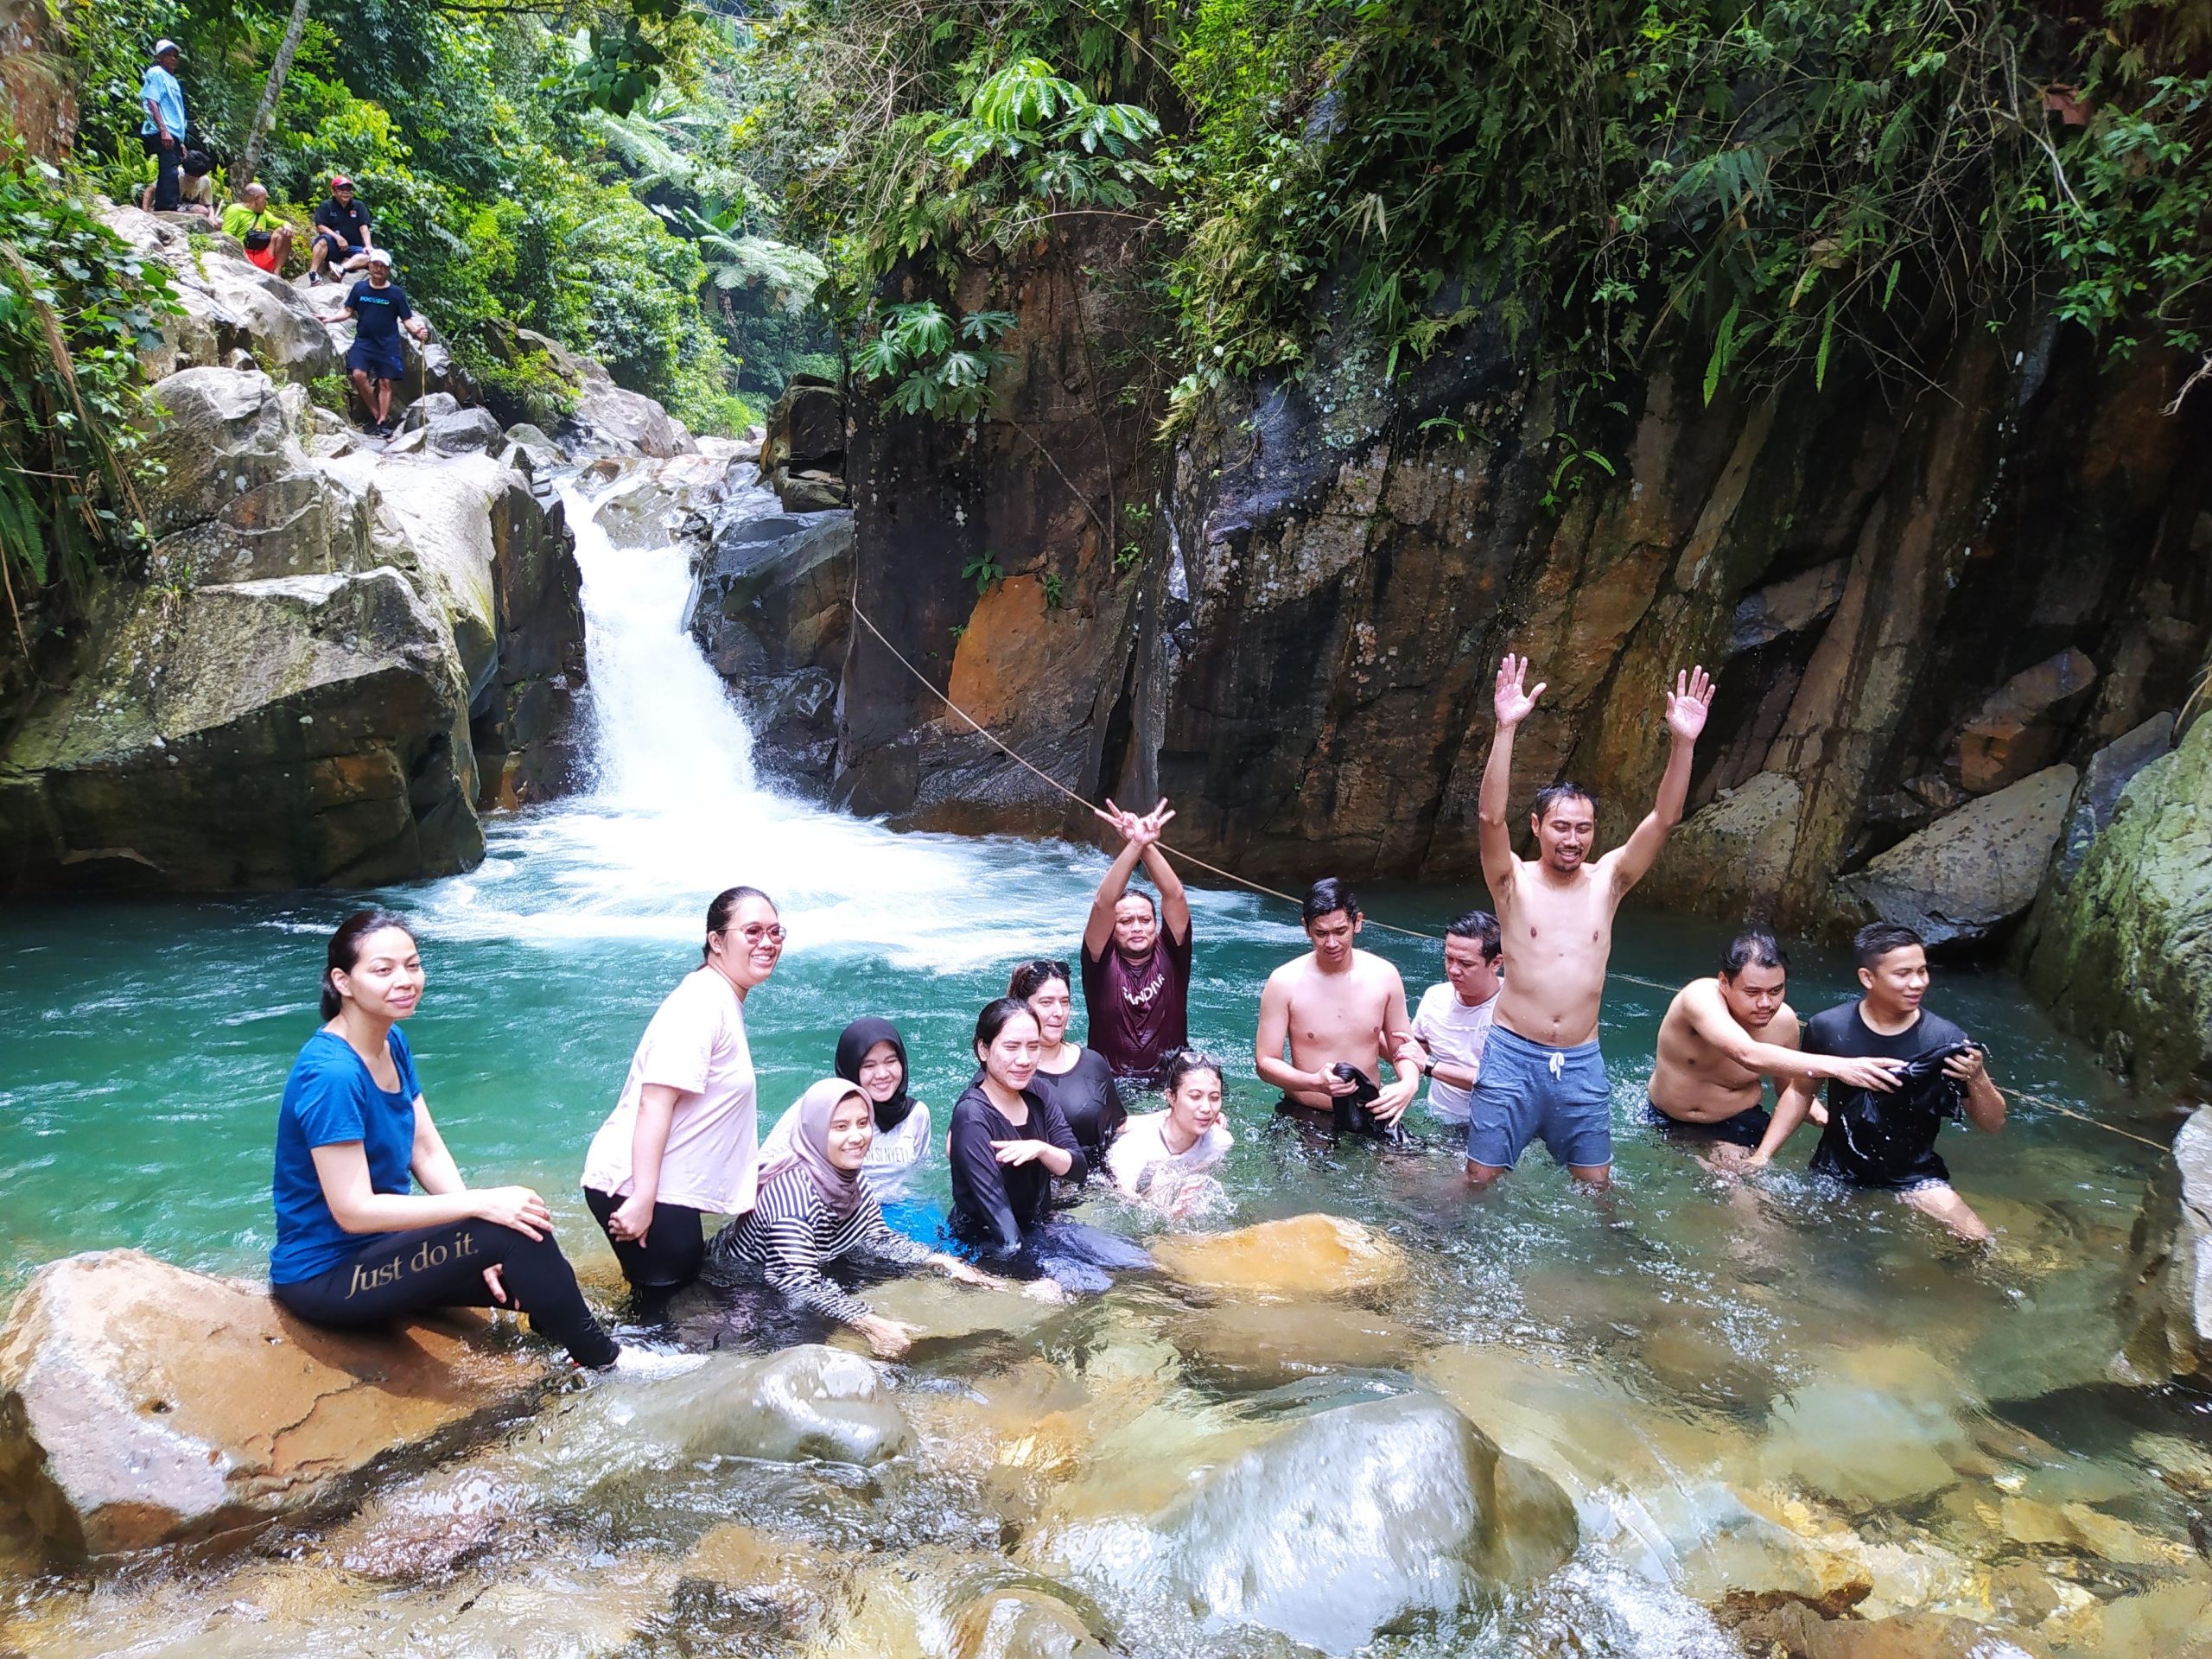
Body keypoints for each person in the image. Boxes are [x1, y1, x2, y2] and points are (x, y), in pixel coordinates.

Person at [269, 911, 673, 1375]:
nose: (405, 980)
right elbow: (353, 1209)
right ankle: (612, 1368)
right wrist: (478, 1210)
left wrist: (471, 1243)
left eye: (413, 965)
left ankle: (575, 1351)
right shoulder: (333, 1074)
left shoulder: (390, 1041)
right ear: (343, 981)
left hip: (383, 1253)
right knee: (506, 1227)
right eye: (383, 970)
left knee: (520, 1241)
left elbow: (425, 1149)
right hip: (329, 1277)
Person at [1465, 655, 1715, 1190]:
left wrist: (1683, 744)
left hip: (1580, 1058)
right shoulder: (1511, 882)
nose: (1572, 839)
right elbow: (1489, 818)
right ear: (1536, 827)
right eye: (1560, 827)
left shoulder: (1610, 882)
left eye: (1583, 828)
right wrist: (1505, 729)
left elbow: (1663, 819)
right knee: (1481, 1180)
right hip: (1512, 1053)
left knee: (1597, 1187)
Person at [715, 1079, 1052, 1358]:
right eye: (840, 1127)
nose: (857, 1137)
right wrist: (869, 1322)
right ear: (815, 1131)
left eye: (863, 1124)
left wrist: (942, 1262)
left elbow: (876, 1237)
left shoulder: (849, 1175)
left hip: (810, 1263)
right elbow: (796, 1282)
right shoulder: (792, 1196)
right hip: (742, 1283)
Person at [582, 887, 783, 1315]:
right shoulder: (701, 1002)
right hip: (642, 1188)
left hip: (664, 1190)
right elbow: (655, 1101)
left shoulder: (720, 997)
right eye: (752, 931)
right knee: (661, 1316)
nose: (767, 942)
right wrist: (641, 1200)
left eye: (775, 932)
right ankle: (588, 1369)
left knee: (664, 1305)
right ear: (716, 940)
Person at [1745, 923, 2005, 1241]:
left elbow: (1992, 1124)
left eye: (1922, 971)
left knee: (1978, 1241)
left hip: (1914, 1177)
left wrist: (1977, 1077)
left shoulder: (1944, 1039)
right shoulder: (1829, 1027)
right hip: (1835, 1172)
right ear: (1868, 978)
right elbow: (1800, 1092)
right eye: (1903, 974)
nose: (1917, 983)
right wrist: (1763, 1156)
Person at [1644, 930, 1907, 1163]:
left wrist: (1831, 1123)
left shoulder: (1784, 1023)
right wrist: (1840, 1067)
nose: (1766, 1003)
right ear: (1724, 983)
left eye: (1775, 991)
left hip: (1734, 1124)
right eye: (1752, 992)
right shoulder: (1699, 996)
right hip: (1665, 1118)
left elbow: (1790, 1090)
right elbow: (1747, 1054)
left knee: (1737, 1189)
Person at [948, 998, 1151, 1291]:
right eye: (1011, 1047)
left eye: (1033, 1047)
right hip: (986, 1240)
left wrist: (1041, 1149)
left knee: (1139, 1261)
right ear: (983, 1048)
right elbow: (1002, 1227)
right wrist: (1037, 1279)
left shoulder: (1038, 1093)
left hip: (1040, 1225)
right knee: (1094, 1286)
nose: (1024, 1059)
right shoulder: (972, 1115)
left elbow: (1078, 1168)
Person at [1254, 877, 1425, 1141]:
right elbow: (1265, 1063)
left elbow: (1403, 1046)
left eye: (1340, 931)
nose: (1331, 943)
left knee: (1414, 1174)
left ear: (1358, 923)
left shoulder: (1385, 975)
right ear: (1306, 928)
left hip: (1373, 1108)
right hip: (1307, 1110)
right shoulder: (1283, 982)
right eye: (1321, 933)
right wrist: (1315, 1083)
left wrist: (1408, 1083)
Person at [760, 1018, 936, 1233]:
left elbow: (920, 1177)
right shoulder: (819, 1108)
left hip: (902, 1209)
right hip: (841, 1213)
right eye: (869, 1065)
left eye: (890, 1062)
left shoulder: (916, 1114)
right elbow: (765, 1167)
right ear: (851, 1067)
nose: (882, 1074)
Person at [1080, 797, 1192, 1087]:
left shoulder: (1173, 953)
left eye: (1145, 920)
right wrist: (1133, 845)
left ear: (1157, 925)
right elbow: (1103, 903)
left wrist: (1146, 845)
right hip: (1113, 1083)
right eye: (1126, 922)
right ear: (1112, 929)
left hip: (1172, 1082)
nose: (1137, 927)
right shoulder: (1099, 961)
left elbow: (1175, 896)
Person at [1011, 958, 1125, 1160]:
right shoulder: (1008, 1070)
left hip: (1100, 1182)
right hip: (1047, 1188)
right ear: (1022, 1007)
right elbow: (961, 1140)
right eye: (1046, 1003)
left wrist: (1174, 1118)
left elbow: (1118, 1127)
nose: (1059, 1013)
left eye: (1064, 1002)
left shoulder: (1092, 1062)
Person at [1106, 1050, 1234, 1216]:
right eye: (1195, 1096)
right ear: (1171, 1097)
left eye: (1214, 1098)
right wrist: (1166, 1215)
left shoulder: (1219, 1143)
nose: (1207, 1108)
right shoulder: (1131, 1149)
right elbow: (1125, 1204)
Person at [1408, 909, 1503, 1129]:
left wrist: (1430, 1066)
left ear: (1496, 963)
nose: (1453, 970)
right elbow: (1415, 1052)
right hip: (1438, 1120)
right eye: (1449, 958)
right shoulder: (1435, 996)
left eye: (1466, 964)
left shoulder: (1515, 1008)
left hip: (1495, 1126)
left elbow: (1501, 1082)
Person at [342, 250, 429, 437]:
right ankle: (377, 415)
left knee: (385, 383)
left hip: (387, 344)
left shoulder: (395, 294)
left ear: (388, 269)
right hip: (364, 341)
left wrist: (417, 331)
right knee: (358, 374)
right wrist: (329, 319)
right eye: (375, 265)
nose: (378, 269)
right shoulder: (359, 288)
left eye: (382, 266)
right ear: (369, 265)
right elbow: (347, 311)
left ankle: (381, 421)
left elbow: (407, 320)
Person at [138, 41, 190, 214]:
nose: (172, 58)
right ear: (159, 57)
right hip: (162, 129)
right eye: (168, 54)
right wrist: (163, 129)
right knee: (170, 170)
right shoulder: (156, 73)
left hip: (174, 132)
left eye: (175, 55)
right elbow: (152, 100)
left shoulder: (173, 80)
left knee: (170, 168)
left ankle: (162, 206)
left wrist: (180, 141)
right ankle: (167, 208)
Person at [310, 175, 374, 284]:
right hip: (333, 245)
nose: (346, 192)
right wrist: (338, 238)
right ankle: (313, 274)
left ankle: (341, 268)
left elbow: (364, 227)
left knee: (371, 256)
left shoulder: (358, 206)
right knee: (322, 241)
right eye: (342, 189)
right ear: (333, 191)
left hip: (353, 247)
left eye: (348, 189)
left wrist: (368, 245)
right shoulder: (326, 205)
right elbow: (320, 227)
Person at [222, 181, 295, 274]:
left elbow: (283, 222)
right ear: (256, 198)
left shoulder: (263, 214)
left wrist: (287, 225)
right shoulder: (235, 210)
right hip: (243, 256)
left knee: (282, 232)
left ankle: (276, 271)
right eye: (265, 199)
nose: (266, 203)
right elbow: (227, 234)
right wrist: (241, 254)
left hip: (263, 255)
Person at [146, 150, 216, 219]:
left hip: (189, 212)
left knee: (219, 222)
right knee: (201, 210)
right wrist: (144, 212)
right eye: (192, 175)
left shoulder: (205, 181)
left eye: (198, 176)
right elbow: (149, 191)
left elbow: (208, 205)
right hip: (166, 209)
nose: (194, 179)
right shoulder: (174, 175)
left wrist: (211, 218)